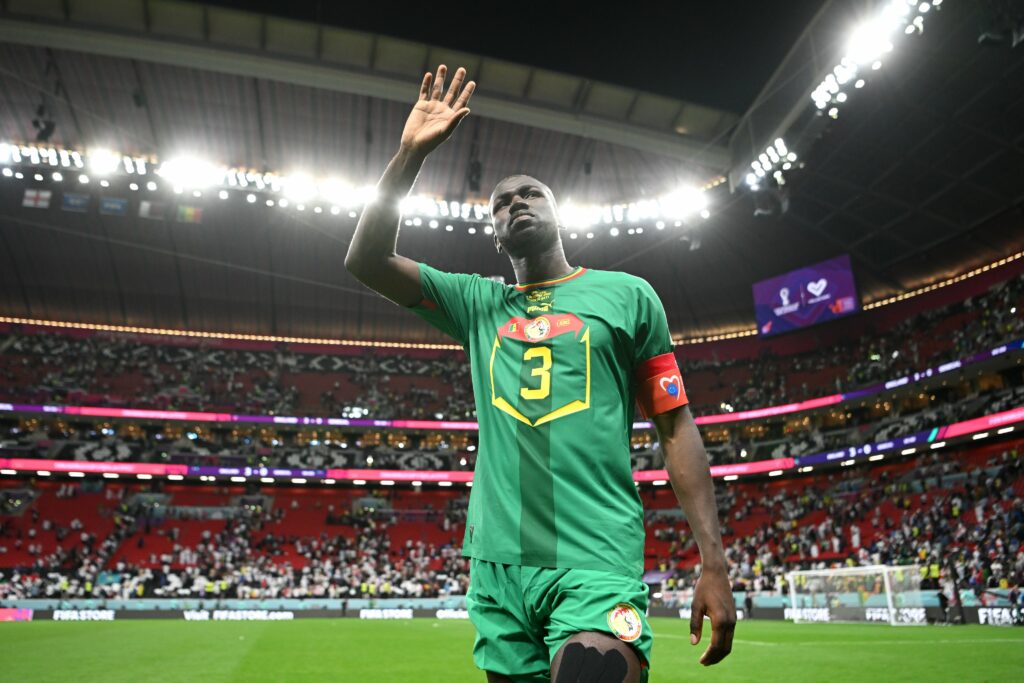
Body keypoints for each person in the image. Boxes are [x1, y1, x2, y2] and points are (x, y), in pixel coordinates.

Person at [345, 65, 735, 682]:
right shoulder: (477, 304)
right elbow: (366, 260)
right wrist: (409, 156)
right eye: (501, 203)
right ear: (495, 235)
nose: (516, 203)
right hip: (498, 571)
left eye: (530, 194)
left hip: (594, 556)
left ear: (557, 213)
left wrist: (714, 561)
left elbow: (676, 428)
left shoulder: (629, 296)